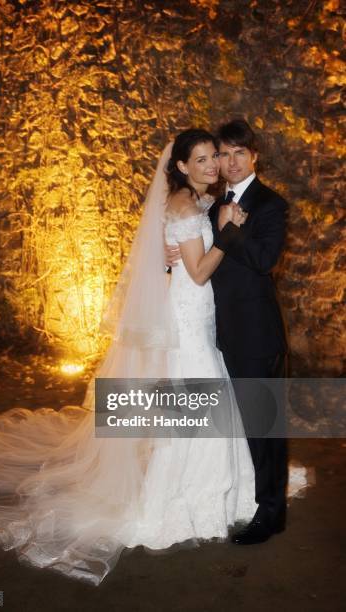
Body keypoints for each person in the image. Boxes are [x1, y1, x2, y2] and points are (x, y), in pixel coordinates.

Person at [0, 129, 258, 586]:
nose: (212, 164)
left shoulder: (190, 201)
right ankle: (180, 499)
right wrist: (228, 231)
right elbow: (197, 272)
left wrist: (201, 233)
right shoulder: (185, 204)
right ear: (180, 166)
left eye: (214, 156)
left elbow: (169, 254)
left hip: (194, 311)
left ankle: (218, 492)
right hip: (191, 308)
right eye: (202, 159)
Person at [167, 119, 289, 545]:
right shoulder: (211, 199)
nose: (229, 162)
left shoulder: (271, 204)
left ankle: (272, 512)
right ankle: (241, 492)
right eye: (223, 153)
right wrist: (173, 255)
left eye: (239, 153)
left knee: (263, 425)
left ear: (253, 156)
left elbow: (262, 260)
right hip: (214, 330)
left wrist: (228, 230)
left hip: (253, 333)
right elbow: (191, 249)